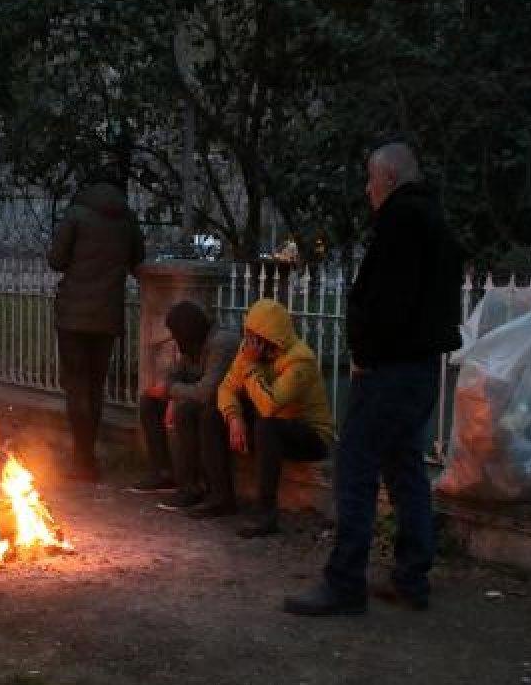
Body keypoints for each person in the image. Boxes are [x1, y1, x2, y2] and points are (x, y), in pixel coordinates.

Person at [284, 140, 464, 617]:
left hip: (389, 370)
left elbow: (387, 301)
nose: (367, 190)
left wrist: (365, 354)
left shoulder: (402, 222)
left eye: (370, 179)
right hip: (419, 368)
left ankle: (344, 583)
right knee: (405, 466)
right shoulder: (434, 221)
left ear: (388, 178)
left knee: (355, 468)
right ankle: (412, 576)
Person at [47, 178, 145, 482]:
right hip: (107, 317)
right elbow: (138, 259)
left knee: (76, 387)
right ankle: (88, 457)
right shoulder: (127, 219)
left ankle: (82, 459)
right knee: (95, 387)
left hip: (73, 317)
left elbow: (56, 260)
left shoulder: (76, 215)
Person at [217, 298, 335, 536]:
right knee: (216, 413)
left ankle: (266, 514)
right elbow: (226, 388)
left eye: (253, 335)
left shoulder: (300, 360)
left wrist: (250, 367)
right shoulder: (250, 351)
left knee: (267, 425)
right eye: (246, 334)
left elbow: (269, 405)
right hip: (273, 427)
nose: (247, 340)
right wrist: (233, 418)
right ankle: (219, 496)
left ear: (269, 337)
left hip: (310, 435)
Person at [135, 301, 240, 513]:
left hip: (229, 404)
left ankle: (192, 486)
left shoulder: (221, 344)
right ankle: (164, 473)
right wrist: (169, 393)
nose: (175, 339)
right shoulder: (193, 344)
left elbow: (207, 391)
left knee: (187, 412)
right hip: (203, 398)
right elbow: (175, 373)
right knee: (150, 402)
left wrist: (171, 391)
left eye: (176, 333)